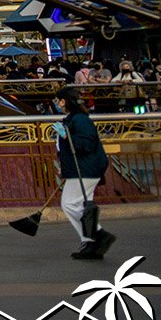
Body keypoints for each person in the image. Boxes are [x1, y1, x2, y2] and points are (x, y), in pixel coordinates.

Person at [54, 88, 116, 260]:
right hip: (81, 169)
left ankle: (98, 234)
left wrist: (66, 135)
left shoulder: (80, 120)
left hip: (85, 170)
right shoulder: (73, 119)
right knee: (79, 205)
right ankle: (90, 243)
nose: (56, 104)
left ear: (64, 101)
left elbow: (84, 145)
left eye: (57, 100)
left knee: (69, 204)